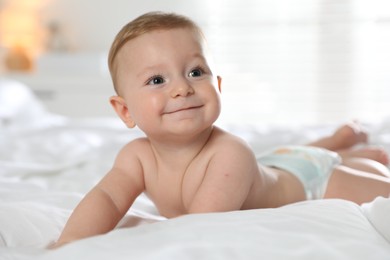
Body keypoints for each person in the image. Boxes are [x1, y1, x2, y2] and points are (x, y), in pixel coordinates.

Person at [53, 11, 390, 248]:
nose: (182, 88)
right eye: (157, 80)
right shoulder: (136, 156)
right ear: (125, 110)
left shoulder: (230, 153)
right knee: (283, 162)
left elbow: (198, 228)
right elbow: (107, 198)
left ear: (218, 85)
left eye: (196, 72)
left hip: (311, 179)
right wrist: (67, 245)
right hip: (274, 164)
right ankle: (339, 145)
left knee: (378, 183)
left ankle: (341, 153)